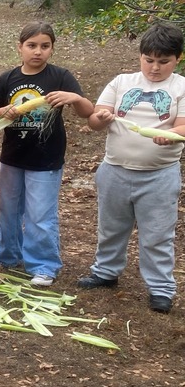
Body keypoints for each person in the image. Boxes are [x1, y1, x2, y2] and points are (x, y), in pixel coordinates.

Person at [77, 21, 185, 313]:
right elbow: (95, 122)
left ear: (177, 59)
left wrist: (172, 135)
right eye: (149, 60)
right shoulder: (121, 83)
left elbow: (183, 125)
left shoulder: (180, 87)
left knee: (157, 234)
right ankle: (106, 272)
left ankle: (161, 288)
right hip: (115, 170)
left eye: (164, 62)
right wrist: (101, 116)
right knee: (111, 227)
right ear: (140, 57)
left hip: (159, 175)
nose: (155, 68)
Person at [0, 21, 93, 287]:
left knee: (40, 214)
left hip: (46, 160)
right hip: (12, 157)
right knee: (6, 209)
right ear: (20, 47)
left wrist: (74, 98)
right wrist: (4, 112)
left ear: (52, 49)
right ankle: (7, 256)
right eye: (31, 46)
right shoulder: (8, 79)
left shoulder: (60, 77)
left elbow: (87, 111)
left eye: (45, 46)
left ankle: (44, 265)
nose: (38, 51)